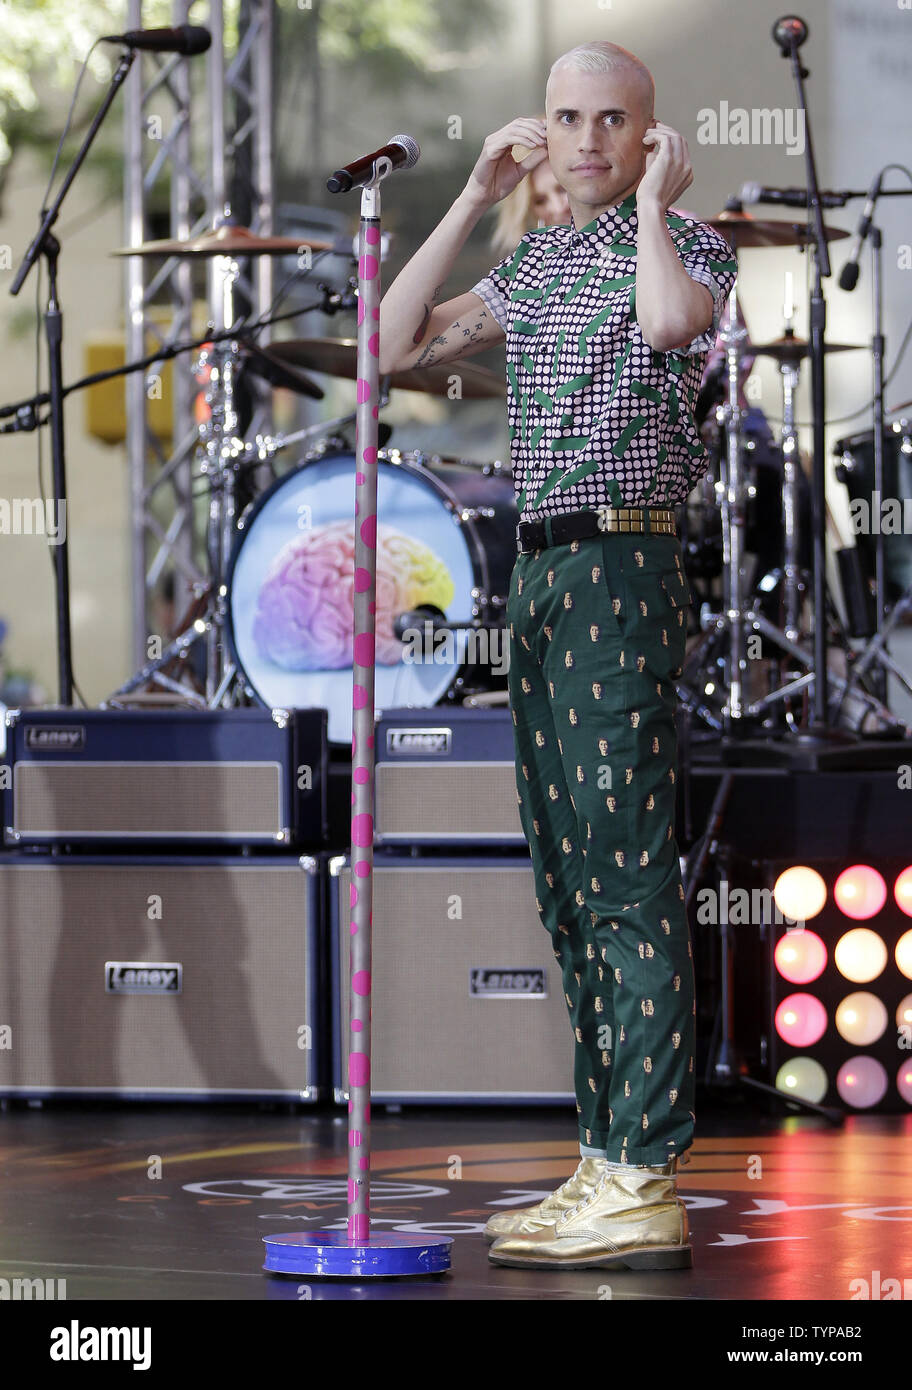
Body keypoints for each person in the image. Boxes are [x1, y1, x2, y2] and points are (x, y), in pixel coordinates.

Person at [379, 40, 737, 1271]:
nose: (586, 139)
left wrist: (649, 209)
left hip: (622, 568)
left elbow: (667, 323)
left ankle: (643, 1172)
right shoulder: (532, 264)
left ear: (651, 138)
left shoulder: (687, 245)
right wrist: (472, 195)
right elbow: (392, 346)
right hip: (539, 570)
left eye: (613, 122)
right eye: (567, 118)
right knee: (571, 884)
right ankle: (605, 1156)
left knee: (628, 877)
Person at [490, 123, 572, 254]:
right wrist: (472, 199)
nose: (558, 208)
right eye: (540, 201)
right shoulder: (529, 264)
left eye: (562, 189)